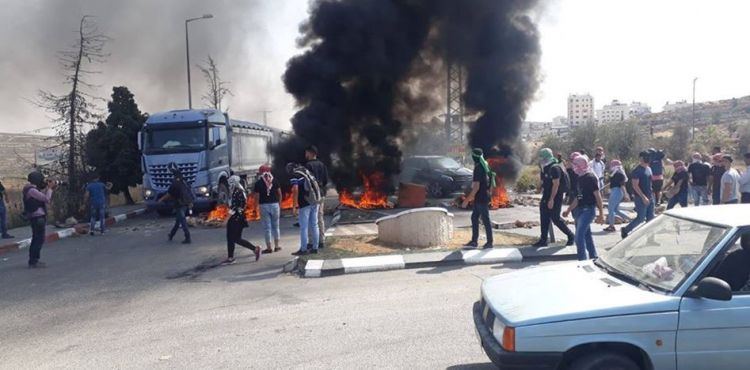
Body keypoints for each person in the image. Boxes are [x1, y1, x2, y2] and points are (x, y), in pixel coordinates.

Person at [563, 155, 604, 261]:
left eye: (576, 164)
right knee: (587, 235)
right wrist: (569, 209)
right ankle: (593, 256)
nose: (574, 167)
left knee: (579, 236)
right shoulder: (580, 178)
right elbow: (579, 197)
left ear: (581, 165)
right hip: (580, 210)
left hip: (588, 210)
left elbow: (597, 195)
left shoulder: (590, 177)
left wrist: (601, 213)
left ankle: (582, 260)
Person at [532, 148, 574, 247]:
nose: (540, 159)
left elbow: (556, 185)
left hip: (555, 196)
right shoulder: (545, 167)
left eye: (542, 157)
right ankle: (543, 240)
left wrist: (551, 199)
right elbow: (544, 181)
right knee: (544, 217)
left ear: (546, 157)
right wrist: (539, 189)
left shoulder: (555, 168)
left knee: (555, 218)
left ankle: (571, 236)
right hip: (546, 195)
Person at [223, 175, 260, 264]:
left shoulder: (237, 192)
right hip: (240, 217)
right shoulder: (240, 191)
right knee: (233, 238)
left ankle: (254, 249)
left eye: (230, 183)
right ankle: (231, 257)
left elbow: (234, 207)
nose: (229, 185)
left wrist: (226, 219)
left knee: (234, 238)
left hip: (236, 218)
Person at [462, 148, 494, 249]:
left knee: (485, 219)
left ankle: (489, 242)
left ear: (474, 157)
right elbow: (491, 182)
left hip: (481, 198)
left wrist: (466, 201)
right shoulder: (485, 165)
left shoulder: (478, 168)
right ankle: (474, 241)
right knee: (475, 217)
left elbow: (476, 187)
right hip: (484, 196)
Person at [23, 171, 56, 268]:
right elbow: (46, 199)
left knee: (37, 238)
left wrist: (48, 188)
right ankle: (34, 260)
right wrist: (50, 189)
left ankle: (33, 260)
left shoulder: (31, 189)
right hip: (37, 217)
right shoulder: (32, 190)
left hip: (36, 217)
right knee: (38, 239)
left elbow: (41, 197)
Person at [288, 163, 322, 256]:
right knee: (315, 225)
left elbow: (295, 189)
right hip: (315, 201)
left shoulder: (295, 175)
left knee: (304, 227)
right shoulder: (307, 172)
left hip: (304, 204)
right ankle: (315, 248)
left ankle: (303, 249)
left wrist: (294, 206)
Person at [621, 151, 655, 239]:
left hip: (650, 197)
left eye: (649, 157)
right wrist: (643, 197)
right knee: (640, 218)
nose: (648, 159)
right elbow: (635, 185)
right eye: (646, 157)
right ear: (641, 158)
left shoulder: (649, 169)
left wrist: (652, 195)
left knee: (651, 219)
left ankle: (650, 239)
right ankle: (625, 230)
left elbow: (650, 183)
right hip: (640, 198)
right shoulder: (637, 171)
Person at [158, 168, 193, 244]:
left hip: (179, 204)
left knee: (182, 221)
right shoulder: (184, 182)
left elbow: (169, 194)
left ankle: (188, 237)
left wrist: (160, 200)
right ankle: (171, 235)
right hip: (185, 203)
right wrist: (190, 202)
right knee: (178, 221)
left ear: (174, 175)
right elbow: (189, 191)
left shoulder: (174, 183)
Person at [253, 164, 282, 254]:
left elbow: (257, 197)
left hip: (264, 206)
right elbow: (280, 194)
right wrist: (279, 204)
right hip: (275, 205)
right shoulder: (275, 181)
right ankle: (277, 246)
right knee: (276, 227)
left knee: (267, 228)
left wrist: (255, 208)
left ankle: (269, 248)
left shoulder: (258, 183)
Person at [305, 145, 328, 249]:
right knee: (320, 217)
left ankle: (311, 242)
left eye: (307, 152)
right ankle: (321, 241)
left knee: (311, 219)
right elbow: (326, 180)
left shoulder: (308, 166)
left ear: (311, 153)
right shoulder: (322, 165)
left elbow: (307, 182)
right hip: (321, 194)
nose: (305, 154)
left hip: (312, 195)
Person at [604, 159, 630, 232]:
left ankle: (611, 226)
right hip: (617, 192)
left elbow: (622, 185)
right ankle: (631, 220)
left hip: (616, 191)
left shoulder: (618, 173)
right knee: (616, 210)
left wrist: (626, 194)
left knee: (611, 209)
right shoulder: (617, 173)